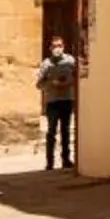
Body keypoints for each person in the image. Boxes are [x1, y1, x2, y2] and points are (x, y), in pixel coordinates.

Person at [36, 38, 78, 170]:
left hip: (66, 100)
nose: (57, 48)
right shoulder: (46, 64)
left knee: (65, 131)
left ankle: (66, 160)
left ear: (64, 46)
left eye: (59, 45)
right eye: (55, 46)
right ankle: (50, 162)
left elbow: (77, 77)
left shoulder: (70, 61)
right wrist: (51, 83)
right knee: (51, 132)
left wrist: (69, 83)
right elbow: (39, 84)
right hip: (52, 102)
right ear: (50, 48)